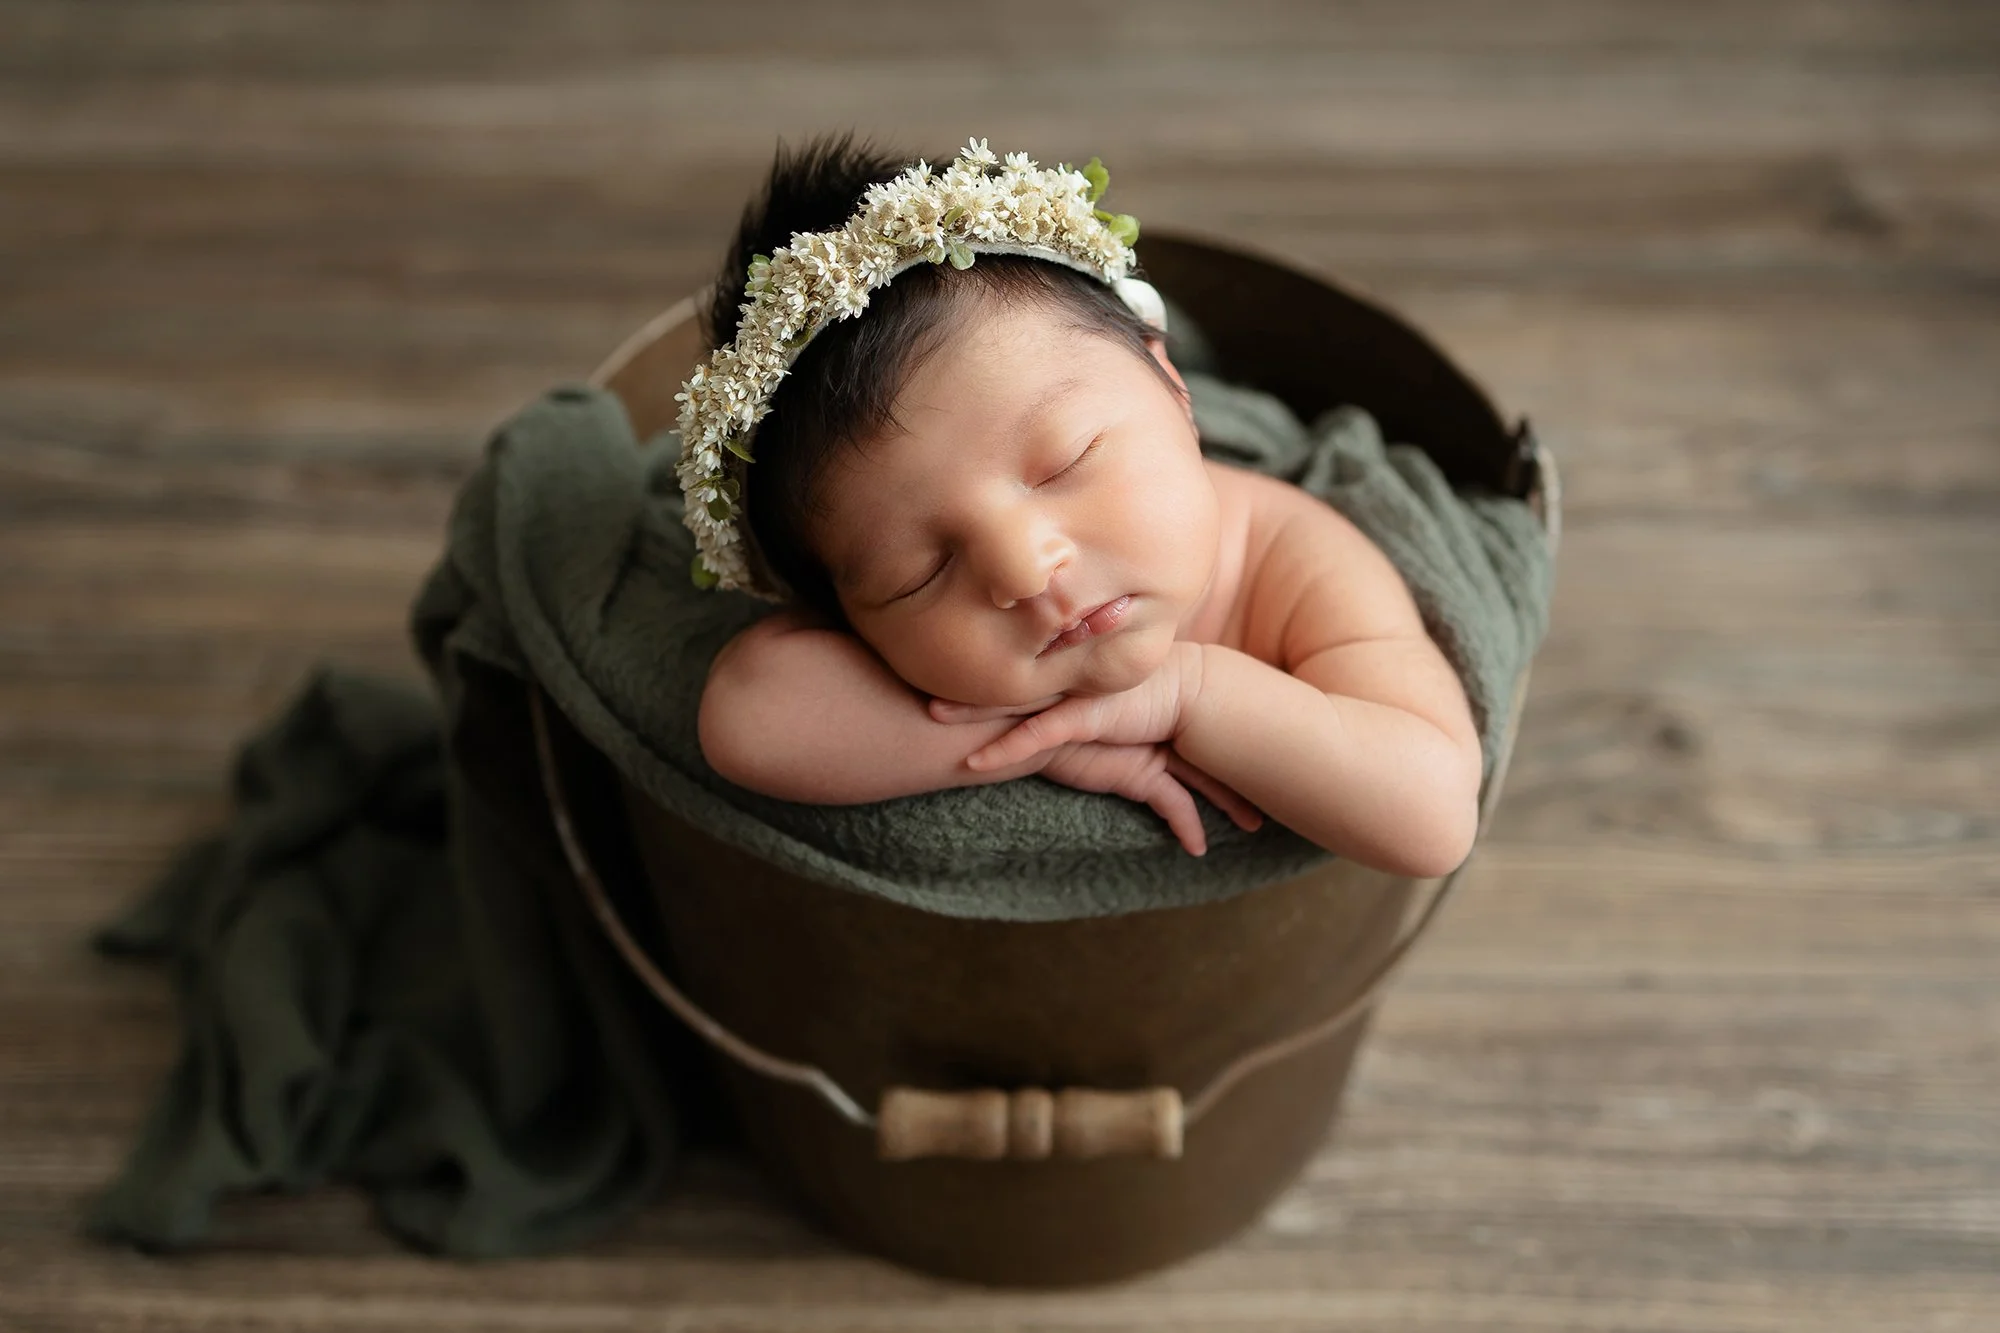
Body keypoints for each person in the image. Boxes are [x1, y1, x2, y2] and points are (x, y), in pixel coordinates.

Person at [685, 134, 1481, 876]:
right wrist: (1047, 739)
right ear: (847, 615)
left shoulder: (1290, 557)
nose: (1025, 569)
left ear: (1174, 388)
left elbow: (1432, 812)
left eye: (1067, 461)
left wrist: (1184, 694)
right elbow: (749, 715)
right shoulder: (927, 647)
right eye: (921, 572)